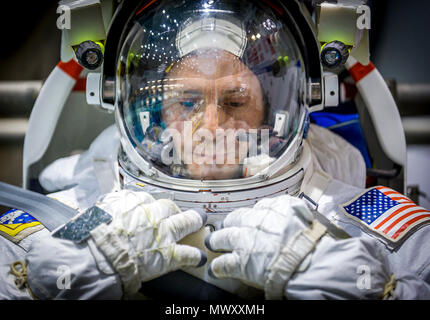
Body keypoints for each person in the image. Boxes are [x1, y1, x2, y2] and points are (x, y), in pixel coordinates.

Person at [0, 0, 429, 300]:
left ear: (274, 112)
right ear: (151, 112)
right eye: (186, 102)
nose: (210, 127)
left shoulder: (357, 220)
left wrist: (354, 279)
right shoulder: (73, 217)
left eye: (236, 101)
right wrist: (75, 265)